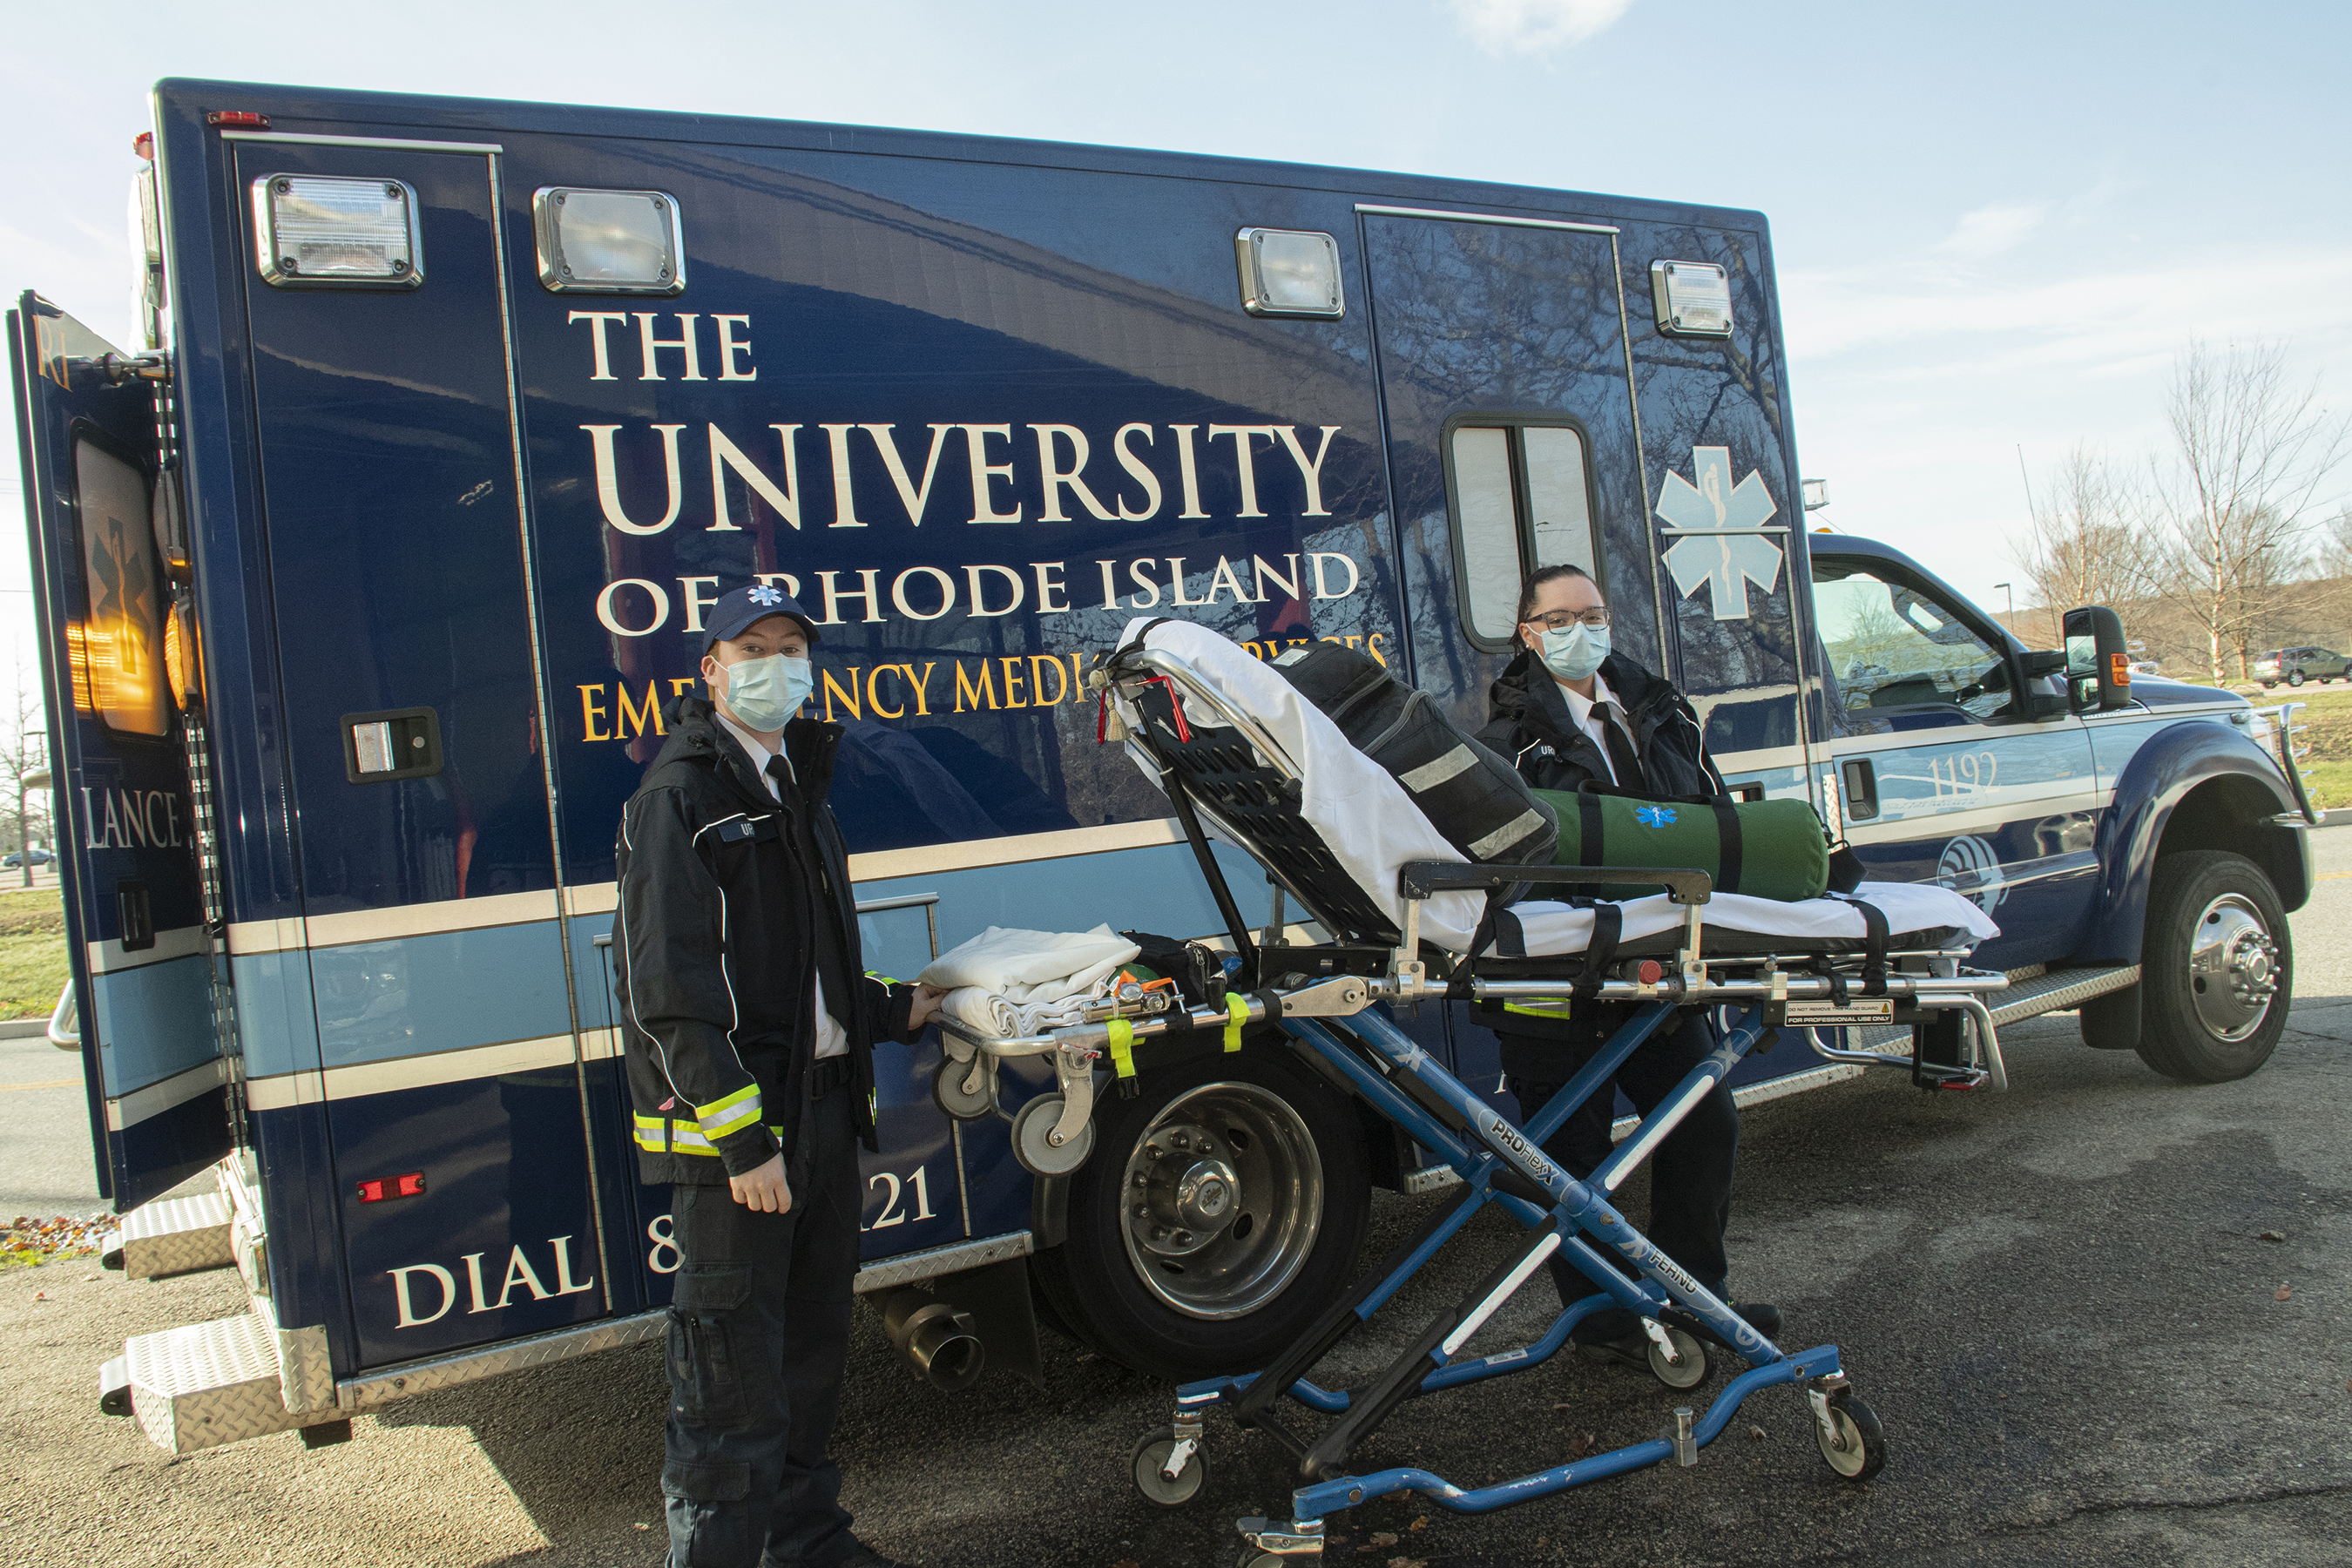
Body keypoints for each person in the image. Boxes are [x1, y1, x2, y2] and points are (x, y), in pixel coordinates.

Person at [616, 583, 945, 1568]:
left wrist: (891, 1007)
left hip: (825, 1125)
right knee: (729, 1393)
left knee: (810, 1362)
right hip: (743, 1153)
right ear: (711, 670)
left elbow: (801, 960)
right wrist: (745, 1143)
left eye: (790, 646)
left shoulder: (792, 779)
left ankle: (805, 1542)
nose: (774, 664)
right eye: (750, 648)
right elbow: (669, 990)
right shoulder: (681, 794)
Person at [1475, 563, 1781, 1365]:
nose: (1582, 629)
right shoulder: (1503, 746)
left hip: (1655, 976)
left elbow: (1705, 822)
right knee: (1569, 1163)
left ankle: (1696, 1303)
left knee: (1702, 1125)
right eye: (1561, 617)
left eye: (1593, 612)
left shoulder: (1662, 715)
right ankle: (1609, 1322)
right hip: (1557, 984)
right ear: (1529, 634)